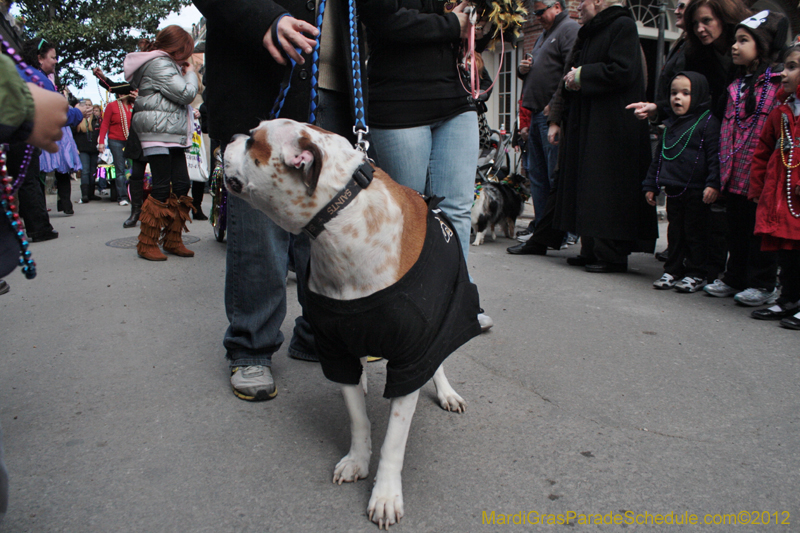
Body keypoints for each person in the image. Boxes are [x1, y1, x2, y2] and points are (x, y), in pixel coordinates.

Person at [193, 0, 367, 399]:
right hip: (263, 79)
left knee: (326, 233)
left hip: (338, 90)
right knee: (260, 230)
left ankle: (317, 334)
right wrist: (265, 19)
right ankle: (251, 345)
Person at [357, 0, 493, 330]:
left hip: (456, 96)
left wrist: (481, 19)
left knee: (457, 209)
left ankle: (457, 304)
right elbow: (384, 20)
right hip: (399, 98)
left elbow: (474, 33)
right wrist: (451, 24)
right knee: (408, 212)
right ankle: (406, 307)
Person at [548, 0, 657, 273]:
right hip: (589, 121)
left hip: (612, 125)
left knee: (607, 188)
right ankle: (591, 249)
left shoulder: (622, 25)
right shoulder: (592, 31)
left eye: (582, 1)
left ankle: (611, 254)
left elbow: (623, 70)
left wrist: (583, 75)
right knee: (588, 185)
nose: (578, 6)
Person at [702, 11, 787, 306]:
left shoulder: (777, 85)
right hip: (734, 171)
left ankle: (762, 283)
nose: (734, 47)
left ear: (761, 46)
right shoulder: (735, 85)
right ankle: (734, 277)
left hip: (761, 174)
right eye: (735, 40)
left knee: (759, 231)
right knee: (735, 228)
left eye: (743, 41)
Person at [507, 0, 578, 256]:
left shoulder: (568, 29)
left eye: (540, 12)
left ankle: (564, 231)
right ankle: (541, 230)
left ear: (556, 6)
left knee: (552, 176)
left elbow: (570, 71)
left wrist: (554, 108)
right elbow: (538, 71)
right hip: (535, 114)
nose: (537, 17)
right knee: (536, 176)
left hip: (550, 115)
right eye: (535, 13)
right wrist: (522, 70)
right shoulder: (543, 35)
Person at [123, 25, 199, 261]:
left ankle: (173, 239)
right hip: (158, 132)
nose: (188, 56)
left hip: (168, 132)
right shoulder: (160, 63)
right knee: (161, 187)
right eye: (186, 51)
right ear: (177, 49)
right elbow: (186, 94)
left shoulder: (166, 63)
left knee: (181, 185)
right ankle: (147, 242)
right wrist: (191, 73)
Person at [643, 72, 720, 292]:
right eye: (674, 93)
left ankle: (696, 272)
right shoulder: (671, 124)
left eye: (686, 93)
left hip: (698, 190)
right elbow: (659, 157)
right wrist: (651, 185)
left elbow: (715, 157)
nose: (677, 98)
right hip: (674, 188)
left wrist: (713, 184)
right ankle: (673, 269)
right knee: (675, 232)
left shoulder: (708, 123)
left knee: (696, 233)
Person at [748, 39, 800, 328]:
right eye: (784, 67)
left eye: (791, 67)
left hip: (796, 193)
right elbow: (763, 151)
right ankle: (789, 298)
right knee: (787, 250)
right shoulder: (781, 113)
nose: (783, 74)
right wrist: (757, 187)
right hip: (782, 194)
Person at [14, 38, 88, 240]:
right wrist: (79, 112)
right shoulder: (38, 79)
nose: (56, 61)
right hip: (22, 137)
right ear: (40, 58)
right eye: (53, 57)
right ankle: (39, 229)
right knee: (29, 182)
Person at [97, 92, 134, 205]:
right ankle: (122, 197)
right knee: (120, 170)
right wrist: (101, 142)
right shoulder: (112, 106)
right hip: (116, 141)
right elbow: (105, 124)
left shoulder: (134, 105)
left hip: (131, 141)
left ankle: (134, 195)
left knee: (133, 168)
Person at [71, 99, 101, 203]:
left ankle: (91, 193)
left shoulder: (96, 120)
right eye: (86, 105)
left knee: (93, 171)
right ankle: (84, 194)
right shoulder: (78, 119)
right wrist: (75, 148)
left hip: (94, 149)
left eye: (89, 105)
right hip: (82, 149)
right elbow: (72, 134)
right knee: (85, 171)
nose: (88, 107)